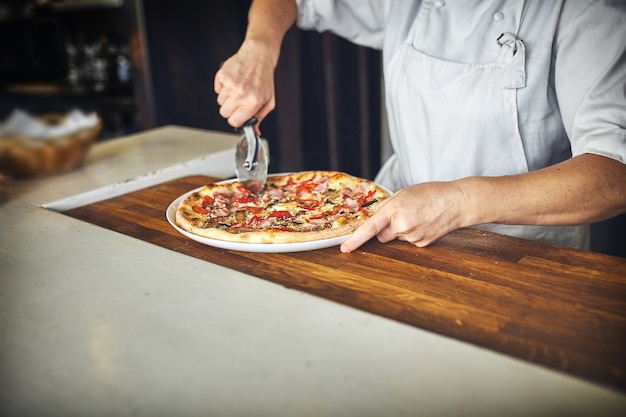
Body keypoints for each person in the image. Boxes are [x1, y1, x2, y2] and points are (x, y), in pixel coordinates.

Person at [214, 0, 626, 253]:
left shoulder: (588, 9)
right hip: (392, 225)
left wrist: (460, 201)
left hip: (522, 251)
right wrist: (259, 48)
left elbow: (613, 177)